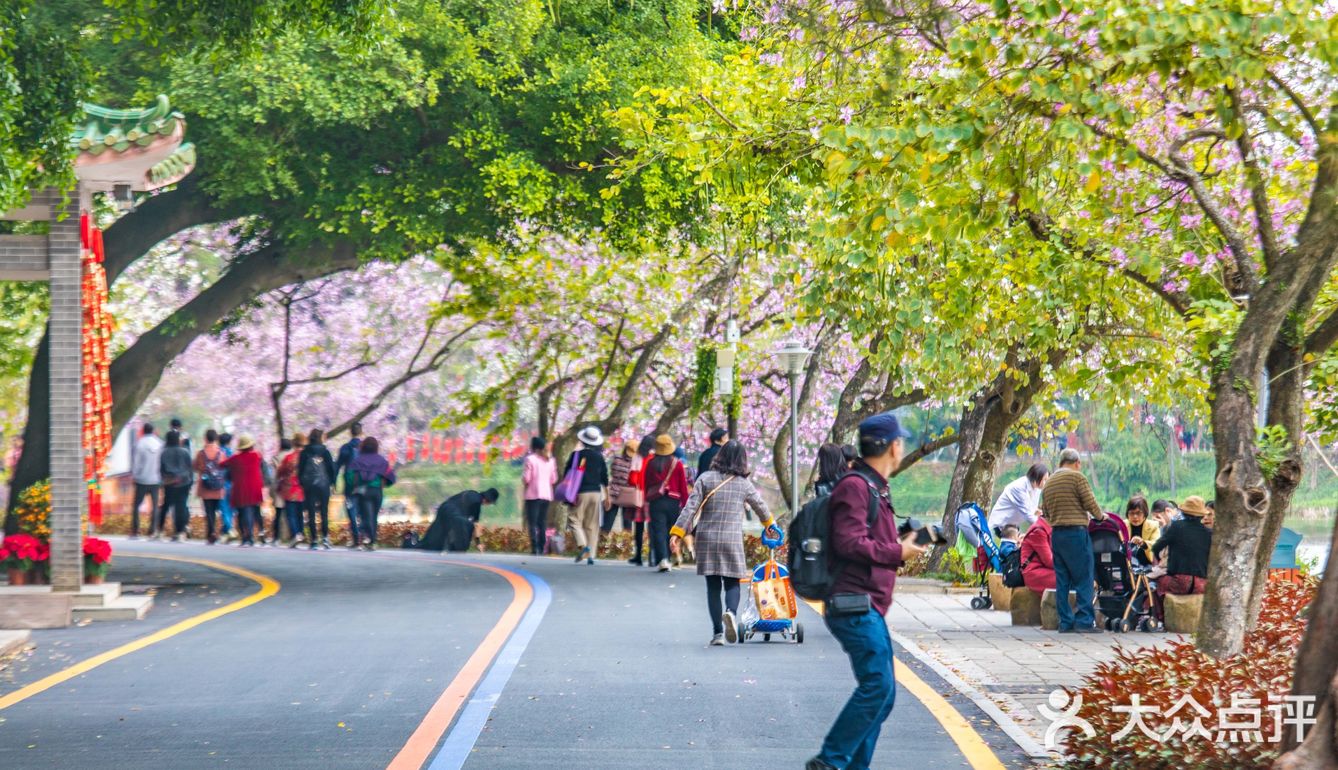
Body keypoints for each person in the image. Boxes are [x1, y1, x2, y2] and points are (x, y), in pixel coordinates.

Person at [806, 411, 926, 770]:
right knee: (877, 686)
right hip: (851, 602)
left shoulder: (873, 486)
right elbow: (848, 543)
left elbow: (866, 537)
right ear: (894, 446)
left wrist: (902, 540)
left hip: (866, 603)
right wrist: (897, 551)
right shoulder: (855, 486)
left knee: (883, 694)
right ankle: (830, 762)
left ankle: (846, 764)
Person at [669, 441, 775, 645]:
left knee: (713, 586)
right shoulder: (743, 484)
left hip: (707, 539)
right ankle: (731, 614)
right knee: (733, 582)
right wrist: (769, 524)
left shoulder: (705, 478)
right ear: (742, 460)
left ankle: (718, 633)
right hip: (731, 539)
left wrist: (677, 533)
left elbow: (690, 509)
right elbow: (760, 507)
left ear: (720, 456)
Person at [1040, 448, 1108, 634]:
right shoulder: (1077, 478)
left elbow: (1044, 511)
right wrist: (1101, 517)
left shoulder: (1049, 482)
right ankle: (1084, 621)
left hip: (1057, 535)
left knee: (1062, 580)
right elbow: (1090, 503)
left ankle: (1065, 622)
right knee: (1084, 577)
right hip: (1076, 533)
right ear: (1077, 462)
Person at [1151, 495, 1212, 621]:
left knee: (1155, 584)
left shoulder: (1176, 527)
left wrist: (1158, 563)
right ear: (1201, 515)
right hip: (1202, 583)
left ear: (1183, 512)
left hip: (1180, 582)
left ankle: (1161, 618)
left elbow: (1156, 547)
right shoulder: (1209, 533)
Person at [562, 425, 610, 565]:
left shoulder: (577, 455)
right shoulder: (599, 457)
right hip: (596, 493)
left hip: (580, 492)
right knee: (592, 524)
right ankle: (591, 555)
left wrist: (570, 492)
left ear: (583, 440)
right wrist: (607, 497)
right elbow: (604, 477)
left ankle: (583, 546)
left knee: (574, 519)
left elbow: (568, 475)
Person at [642, 434, 689, 572]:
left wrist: (647, 499)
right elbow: (683, 487)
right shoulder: (677, 463)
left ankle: (662, 559)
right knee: (670, 530)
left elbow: (646, 484)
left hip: (656, 501)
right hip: (673, 502)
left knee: (658, 530)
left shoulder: (651, 463)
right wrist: (686, 504)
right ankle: (667, 558)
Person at [346, 436, 396, 550]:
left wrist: (354, 485)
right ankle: (372, 540)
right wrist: (385, 483)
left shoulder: (357, 460)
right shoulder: (381, 460)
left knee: (367, 515)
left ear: (363, 447)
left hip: (364, 491)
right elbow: (391, 476)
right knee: (374, 516)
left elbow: (349, 476)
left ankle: (370, 539)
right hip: (377, 491)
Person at [420, 488, 499, 552]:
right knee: (465, 527)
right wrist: (478, 543)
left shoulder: (472, 492)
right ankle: (454, 551)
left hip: (444, 507)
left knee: (436, 533)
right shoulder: (477, 503)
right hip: (453, 514)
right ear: (488, 501)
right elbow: (475, 525)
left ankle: (425, 546)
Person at [222, 434, 265, 546]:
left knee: (241, 512)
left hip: (240, 489)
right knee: (250, 511)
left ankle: (244, 537)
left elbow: (222, 464)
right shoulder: (256, 456)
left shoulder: (235, 458)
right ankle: (250, 536)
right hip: (254, 488)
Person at [298, 428, 336, 550]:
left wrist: (302, 483)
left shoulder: (304, 452)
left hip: (309, 485)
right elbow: (331, 469)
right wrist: (332, 482)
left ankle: (313, 540)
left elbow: (300, 470)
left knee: (311, 512)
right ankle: (325, 538)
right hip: (323, 485)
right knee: (324, 512)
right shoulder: (325, 452)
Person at [987, 463, 1049, 534]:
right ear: (1036, 478)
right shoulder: (1019, 487)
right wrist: (1045, 528)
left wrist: (1036, 511)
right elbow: (1027, 514)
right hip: (1000, 524)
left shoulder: (1037, 488)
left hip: (1013, 526)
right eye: (1044, 479)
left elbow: (1031, 508)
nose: (1046, 482)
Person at [521, 436, 557, 555]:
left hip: (533, 495)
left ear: (533, 447)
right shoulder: (551, 460)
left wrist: (524, 480)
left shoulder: (530, 459)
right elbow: (554, 479)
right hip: (546, 495)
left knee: (532, 522)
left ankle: (534, 548)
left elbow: (527, 478)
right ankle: (542, 547)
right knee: (542, 522)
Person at [130, 423, 164, 539]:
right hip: (156, 478)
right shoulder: (160, 444)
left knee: (136, 505)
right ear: (153, 431)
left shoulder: (140, 444)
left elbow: (137, 463)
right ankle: (152, 530)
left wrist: (134, 475)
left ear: (143, 431)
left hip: (142, 479)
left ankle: (136, 530)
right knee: (155, 506)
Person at [158, 430, 194, 541]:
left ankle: (160, 529)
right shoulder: (185, 452)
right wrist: (190, 481)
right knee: (181, 506)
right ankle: (180, 531)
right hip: (184, 482)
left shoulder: (164, 452)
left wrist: (164, 480)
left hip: (170, 483)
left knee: (166, 506)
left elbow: (162, 469)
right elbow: (190, 468)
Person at [193, 429, 227, 544]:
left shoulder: (201, 453)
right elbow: (224, 466)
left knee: (208, 511)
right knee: (215, 510)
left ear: (206, 438)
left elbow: (195, 466)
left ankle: (211, 532)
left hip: (205, 486)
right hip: (218, 487)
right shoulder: (221, 453)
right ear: (216, 439)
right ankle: (213, 532)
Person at [274, 433, 306, 547]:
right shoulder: (306, 456)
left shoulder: (290, 457)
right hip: (302, 489)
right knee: (299, 513)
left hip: (289, 488)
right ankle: (300, 533)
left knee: (291, 514)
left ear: (294, 443)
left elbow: (280, 471)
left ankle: (295, 535)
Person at [334, 422, 363, 545]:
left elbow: (337, 465)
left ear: (350, 432)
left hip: (349, 483)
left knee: (350, 508)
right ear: (361, 432)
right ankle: (364, 536)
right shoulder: (366, 447)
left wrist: (333, 482)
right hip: (364, 483)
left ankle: (356, 537)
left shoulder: (345, 447)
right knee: (363, 509)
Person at [606, 438, 640, 541]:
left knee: (608, 520)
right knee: (627, 523)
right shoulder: (637, 463)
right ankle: (626, 544)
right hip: (629, 495)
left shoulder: (616, 459)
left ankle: (602, 543)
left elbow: (613, 473)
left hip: (614, 492)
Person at [1020, 510, 1056, 593]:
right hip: (1034, 573)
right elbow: (1049, 561)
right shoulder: (1038, 531)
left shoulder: (1049, 529)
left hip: (1045, 569)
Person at [1125, 495, 1160, 567]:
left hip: (1147, 563)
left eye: (1138, 513)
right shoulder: (1122, 525)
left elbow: (1156, 544)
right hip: (1126, 564)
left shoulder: (1153, 526)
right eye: (1131, 513)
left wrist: (1143, 543)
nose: (1135, 516)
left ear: (1145, 513)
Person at [217, 432, 236, 542]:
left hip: (221, 483)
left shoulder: (218, 452)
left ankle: (229, 529)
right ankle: (226, 532)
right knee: (230, 509)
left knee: (224, 509)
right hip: (231, 483)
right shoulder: (231, 453)